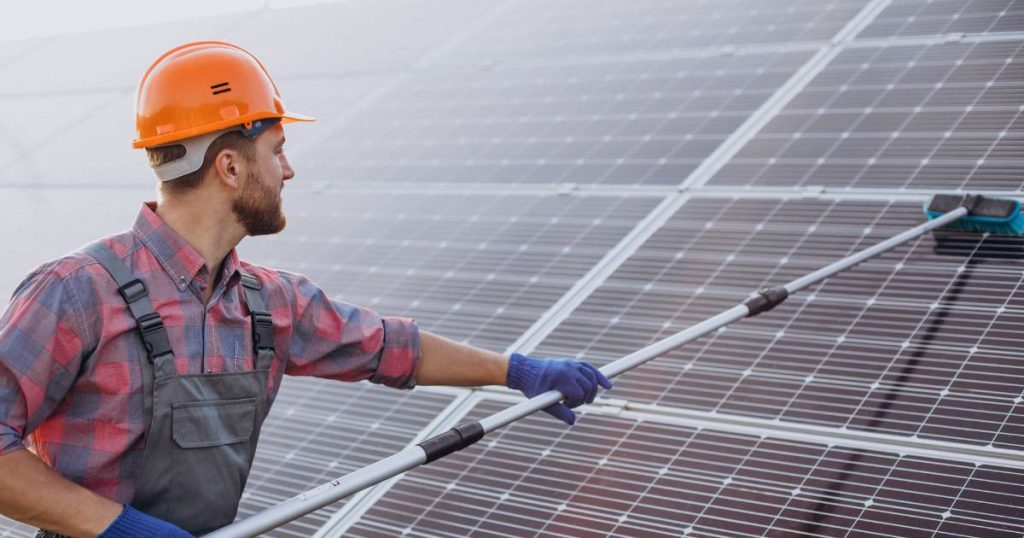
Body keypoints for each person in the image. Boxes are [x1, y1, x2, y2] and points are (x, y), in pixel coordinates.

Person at [0, 41, 612, 537]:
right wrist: (120, 531)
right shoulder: (78, 293)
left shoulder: (269, 303)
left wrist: (519, 372)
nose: (289, 170)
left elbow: (391, 348)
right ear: (231, 167)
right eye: (278, 150)